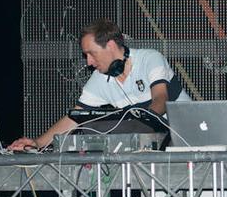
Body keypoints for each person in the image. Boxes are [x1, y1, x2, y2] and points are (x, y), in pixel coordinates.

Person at [10, 19, 190, 151]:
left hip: (187, 137)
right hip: (153, 146)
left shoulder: (149, 58)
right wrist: (38, 143)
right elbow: (73, 118)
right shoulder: (99, 78)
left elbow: (160, 98)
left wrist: (135, 128)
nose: (88, 62)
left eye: (91, 53)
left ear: (110, 45)